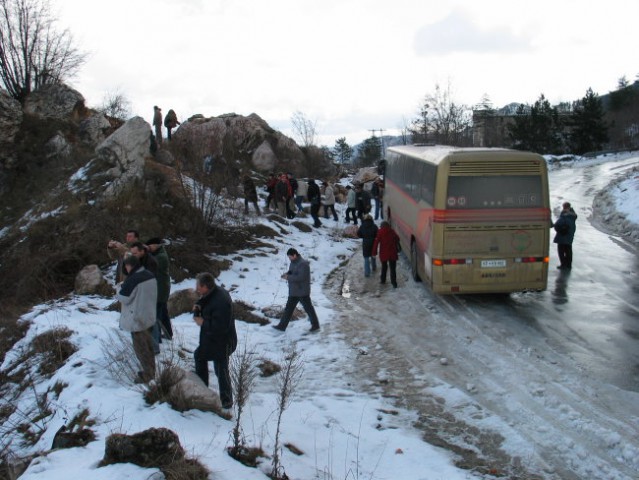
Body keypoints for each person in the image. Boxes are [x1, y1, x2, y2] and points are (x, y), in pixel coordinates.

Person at [193, 272, 237, 410]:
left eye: (198, 286)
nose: (196, 289)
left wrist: (202, 322)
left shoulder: (221, 301)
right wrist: (199, 306)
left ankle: (224, 400)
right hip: (214, 340)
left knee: (220, 369)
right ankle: (214, 395)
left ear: (205, 286)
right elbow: (206, 300)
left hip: (221, 342)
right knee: (205, 360)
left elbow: (221, 327)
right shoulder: (215, 292)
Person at [117, 255, 157, 384]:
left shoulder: (133, 279)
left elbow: (124, 298)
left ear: (129, 266)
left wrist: (119, 288)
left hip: (137, 319)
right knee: (149, 347)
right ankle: (152, 371)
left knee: (141, 349)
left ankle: (148, 375)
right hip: (149, 316)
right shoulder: (149, 274)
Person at [272, 248, 320, 332]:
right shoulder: (293, 263)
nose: (289, 258)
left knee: (309, 309)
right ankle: (281, 326)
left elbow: (301, 277)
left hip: (302, 292)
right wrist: (287, 274)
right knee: (288, 310)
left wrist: (288, 277)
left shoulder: (303, 264)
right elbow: (292, 272)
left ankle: (315, 325)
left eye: (290, 257)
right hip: (294, 292)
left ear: (294, 255)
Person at [146, 237, 173, 341]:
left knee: (156, 314)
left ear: (156, 245)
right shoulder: (158, 254)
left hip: (160, 289)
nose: (148, 248)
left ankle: (156, 338)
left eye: (150, 246)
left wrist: (145, 252)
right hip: (161, 288)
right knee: (163, 313)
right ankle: (168, 334)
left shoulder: (161, 257)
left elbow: (149, 264)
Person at [372, 221, 400, 288]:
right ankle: (394, 283)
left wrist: (374, 252)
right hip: (392, 253)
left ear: (381, 226)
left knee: (384, 267)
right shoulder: (392, 231)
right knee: (392, 268)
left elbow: (376, 243)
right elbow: (397, 238)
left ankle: (383, 280)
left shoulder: (380, 232)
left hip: (384, 253)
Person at [552, 202, 578, 270]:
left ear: (565, 207)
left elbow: (558, 224)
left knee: (561, 251)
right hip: (569, 236)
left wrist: (554, 226)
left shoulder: (565, 215)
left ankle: (563, 264)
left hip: (562, 236)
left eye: (564, 207)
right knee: (568, 250)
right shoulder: (573, 216)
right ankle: (568, 265)